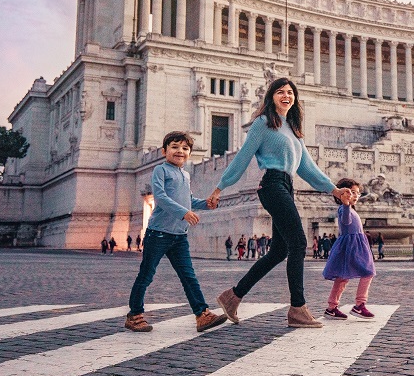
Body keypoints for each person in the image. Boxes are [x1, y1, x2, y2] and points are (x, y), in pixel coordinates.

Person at [208, 77, 351, 329]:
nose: (286, 96)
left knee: (279, 251)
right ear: (271, 96)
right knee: (299, 242)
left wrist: (335, 190)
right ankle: (297, 308)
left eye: (290, 92)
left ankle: (232, 297)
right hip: (272, 185)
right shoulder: (263, 123)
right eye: (280, 92)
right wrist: (221, 186)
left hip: (286, 186)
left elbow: (307, 168)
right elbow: (242, 157)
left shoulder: (293, 129)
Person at [124, 131, 226, 334]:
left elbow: (188, 200)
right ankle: (134, 315)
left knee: (189, 276)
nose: (180, 151)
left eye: (185, 148)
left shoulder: (185, 174)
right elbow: (160, 197)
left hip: (179, 237)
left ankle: (202, 314)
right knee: (146, 275)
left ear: (190, 153)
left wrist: (206, 204)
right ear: (165, 151)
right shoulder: (160, 170)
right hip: (158, 234)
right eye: (175, 147)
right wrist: (184, 213)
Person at [322, 178, 377, 320]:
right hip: (352, 245)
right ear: (342, 194)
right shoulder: (343, 209)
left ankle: (331, 307)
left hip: (354, 244)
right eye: (352, 192)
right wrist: (346, 204)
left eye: (358, 193)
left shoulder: (351, 209)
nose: (356, 196)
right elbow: (346, 221)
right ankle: (359, 305)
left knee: (342, 277)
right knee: (367, 272)